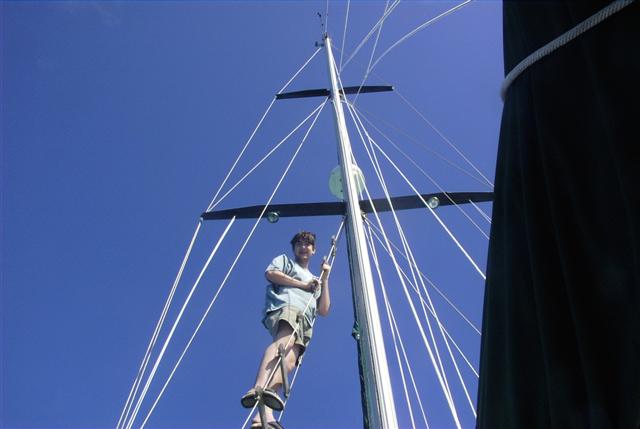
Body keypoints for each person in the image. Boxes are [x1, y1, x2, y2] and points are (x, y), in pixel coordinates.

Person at [241, 231, 331, 429]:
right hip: (288, 306)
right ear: (294, 248)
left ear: (314, 250)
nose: (303, 247)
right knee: (284, 342)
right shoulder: (286, 262)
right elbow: (271, 274)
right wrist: (303, 285)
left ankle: (265, 415)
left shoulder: (315, 280)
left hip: (305, 322)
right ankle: (257, 388)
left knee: (288, 362)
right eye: (299, 244)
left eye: (308, 244)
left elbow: (324, 309)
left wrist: (325, 279)